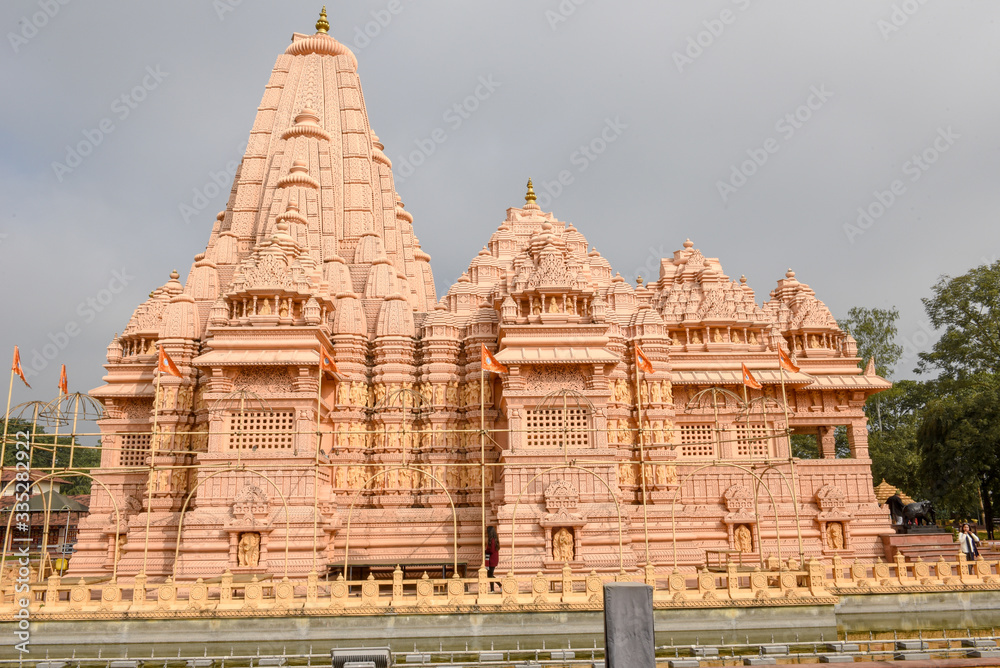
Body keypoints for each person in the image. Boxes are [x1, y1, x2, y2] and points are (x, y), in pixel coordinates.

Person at [485, 526, 500, 592]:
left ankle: (499, 585)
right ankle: (492, 589)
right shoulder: (495, 539)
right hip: (493, 559)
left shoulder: (492, 540)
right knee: (490, 575)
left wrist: (485, 551)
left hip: (492, 560)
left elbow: (491, 550)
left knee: (490, 575)